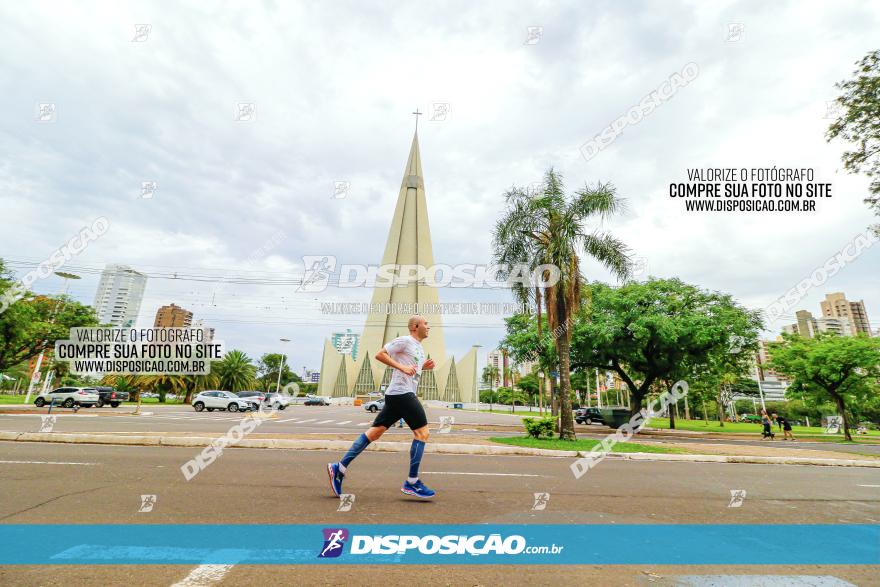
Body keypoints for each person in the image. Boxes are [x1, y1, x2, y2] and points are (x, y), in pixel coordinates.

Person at [327, 315, 437, 499]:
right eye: (426, 324)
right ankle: (412, 482)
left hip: (398, 394)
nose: (429, 327)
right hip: (402, 393)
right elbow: (380, 354)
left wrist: (422, 368)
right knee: (422, 433)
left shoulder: (419, 347)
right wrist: (401, 367)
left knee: (374, 433)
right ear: (415, 326)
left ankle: (339, 467)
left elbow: (411, 371)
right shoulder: (405, 340)